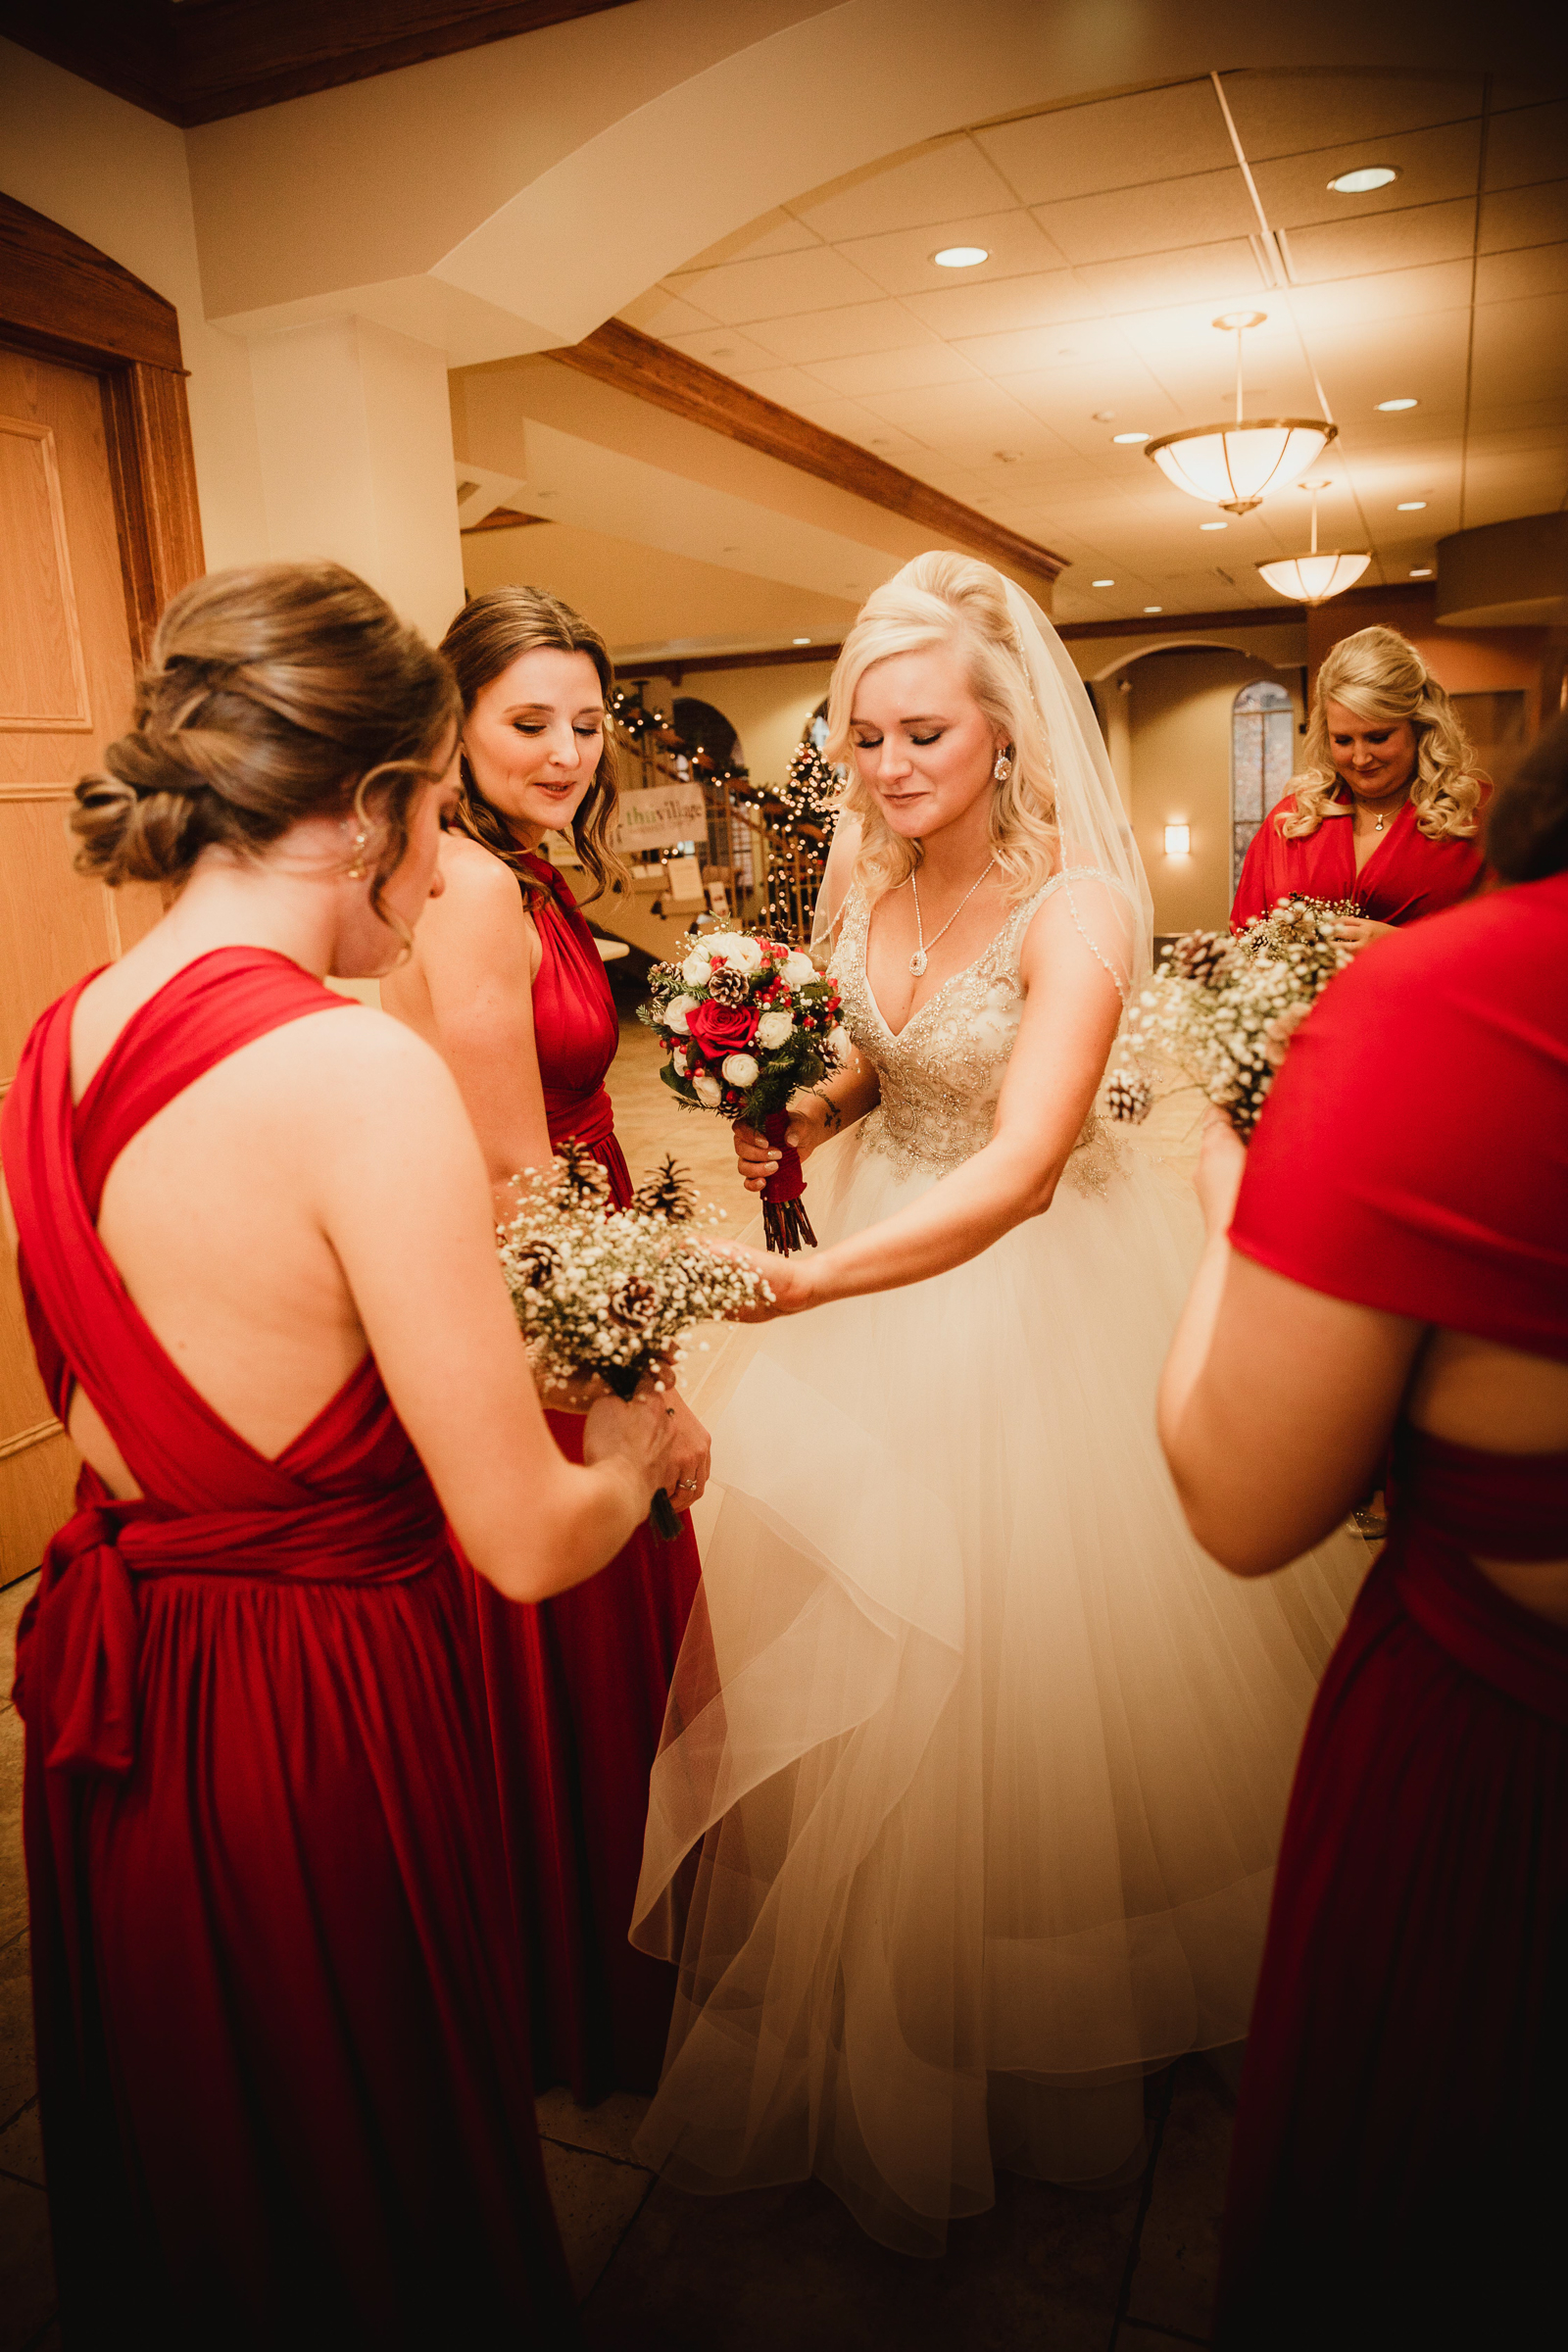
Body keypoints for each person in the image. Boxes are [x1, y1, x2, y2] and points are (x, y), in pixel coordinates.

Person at [628, 553, 1367, 2256]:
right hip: (888, 1244)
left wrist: (803, 1279)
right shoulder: (860, 889)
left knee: (1046, 1672)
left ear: (1003, 733)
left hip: (1027, 1292)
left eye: (924, 736)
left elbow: (1029, 1161)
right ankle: (907, 1990)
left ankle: (1082, 2009)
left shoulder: (1080, 911)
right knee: (874, 1663)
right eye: (865, 738)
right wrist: (801, 1121)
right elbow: (886, 1057)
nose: (890, 770)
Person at [2, 564, 678, 2347]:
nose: (447, 867)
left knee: (209, 2184)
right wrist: (641, 1446)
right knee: (374, 2169)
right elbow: (526, 1540)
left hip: (115, 1713)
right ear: (373, 805)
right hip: (315, 1712)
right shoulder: (349, 1075)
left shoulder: (59, 1036)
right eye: (439, 813)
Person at [1159, 712, 1568, 2349]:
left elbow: (1247, 1500)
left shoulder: (1466, 988)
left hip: (1503, 1785)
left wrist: (1235, 1201)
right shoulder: (1307, 843)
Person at [382, 584, 707, 2102]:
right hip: (541, 1305)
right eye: (531, 722)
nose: (571, 749)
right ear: (450, 727)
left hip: (572, 1254)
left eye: (586, 721)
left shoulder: (513, 871)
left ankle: (567, 1965)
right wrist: (637, 1388)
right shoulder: (472, 888)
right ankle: (574, 1986)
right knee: (578, 1631)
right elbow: (518, 1178)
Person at [1229, 624, 1487, 944]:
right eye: (1343, 740)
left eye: (1378, 737)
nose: (1361, 758)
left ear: (1419, 726)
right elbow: (1245, 938)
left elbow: (1513, 944)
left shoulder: (1473, 815)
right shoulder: (1292, 820)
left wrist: (1401, 947)